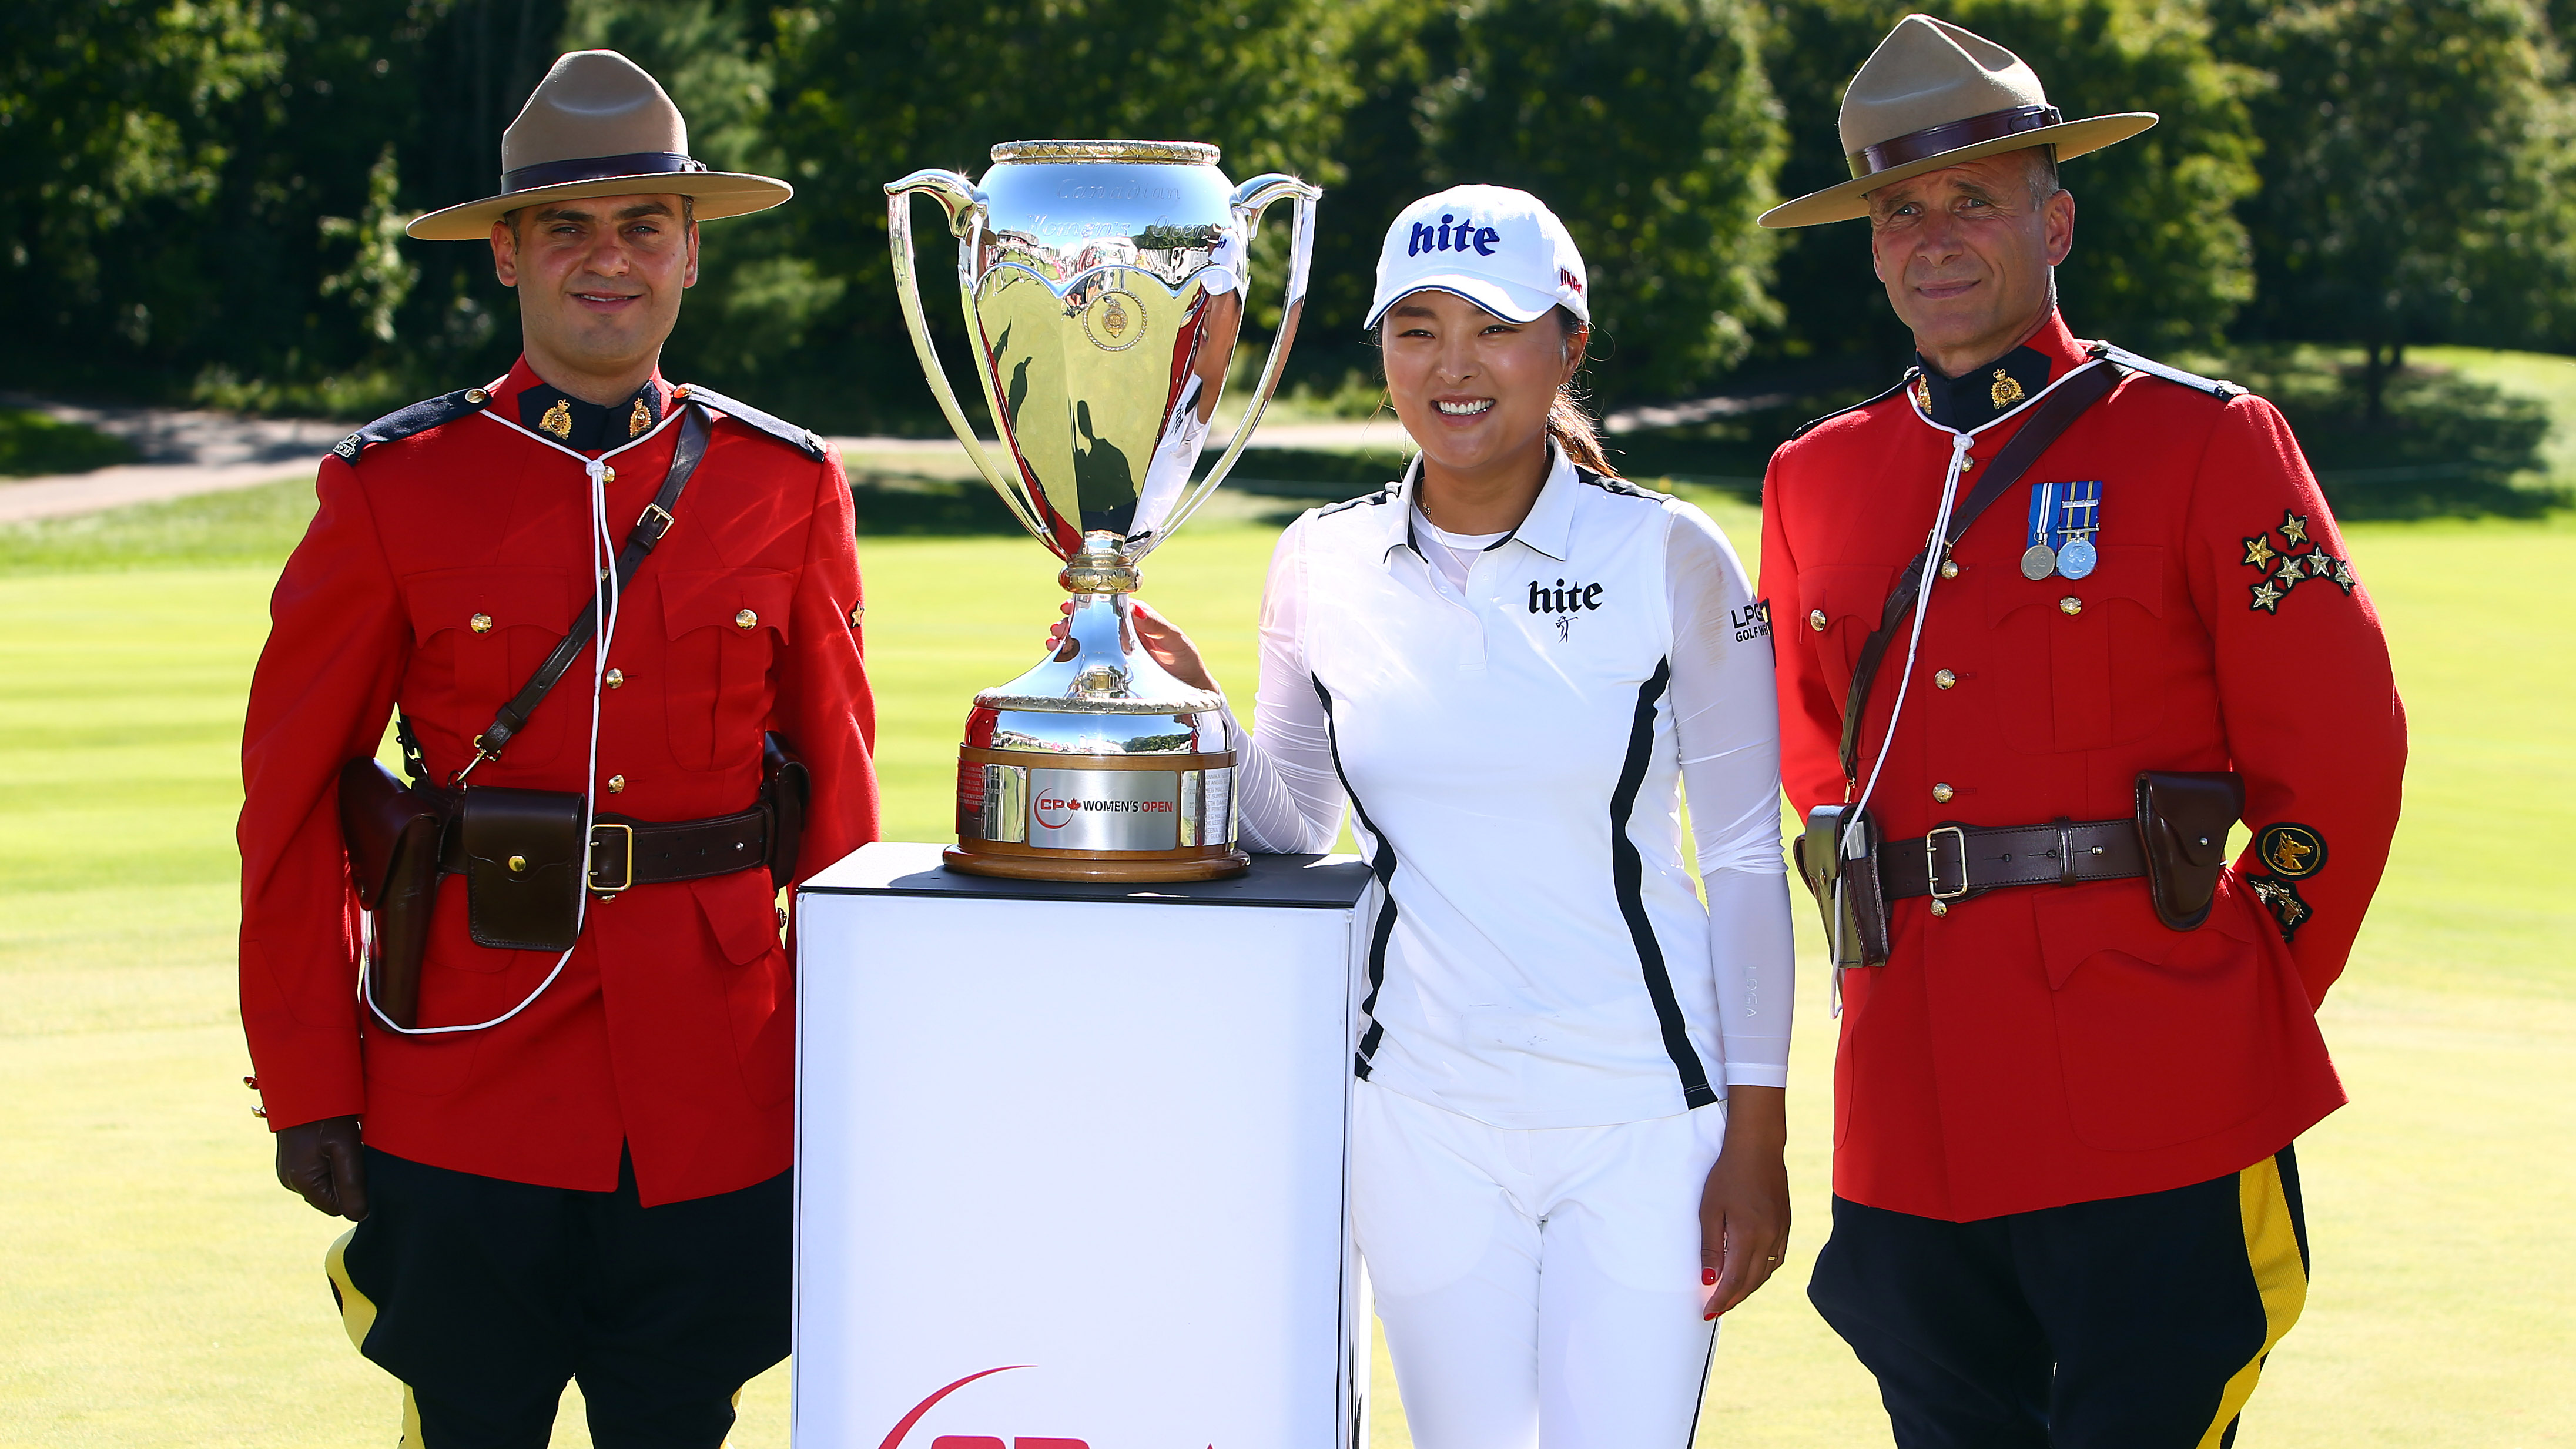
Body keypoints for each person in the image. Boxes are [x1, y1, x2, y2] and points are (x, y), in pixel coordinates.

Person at [1754, 16, 2406, 1447]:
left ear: (2053, 218)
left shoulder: (2198, 442)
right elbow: (1811, 767)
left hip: (2149, 1075)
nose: (1932, 234)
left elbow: (2339, 756)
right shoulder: (1816, 478)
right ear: (1869, 245)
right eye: (1898, 206)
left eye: (1972, 197)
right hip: (1908, 1102)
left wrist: (2239, 990)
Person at [1073, 185, 1796, 1448]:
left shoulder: (1670, 556)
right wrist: (1191, 704)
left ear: (1566, 344)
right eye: (1415, 329)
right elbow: (1295, 823)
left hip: (1640, 1120)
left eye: (1493, 326)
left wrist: (1757, 1135)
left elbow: (1741, 859)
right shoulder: (1320, 559)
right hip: (1416, 1116)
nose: (1452, 367)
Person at [235, 50, 877, 1447]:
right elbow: (289, 806)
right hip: (463, 1073)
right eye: (568, 228)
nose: (610, 260)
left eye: (644, 224)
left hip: (719, 1082)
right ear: (507, 254)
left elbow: (837, 815)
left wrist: (862, 1080)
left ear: (692, 254)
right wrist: (308, 1084)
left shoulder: (784, 484)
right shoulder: (392, 490)